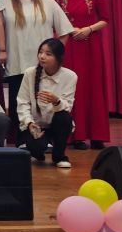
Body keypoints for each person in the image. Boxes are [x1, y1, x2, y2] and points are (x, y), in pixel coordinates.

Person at [2, 0, 73, 129]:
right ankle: (22, 139)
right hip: (16, 64)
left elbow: (64, 32)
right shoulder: (3, 2)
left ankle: (46, 137)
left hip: (44, 68)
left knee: (45, 106)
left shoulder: (47, 1)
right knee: (19, 108)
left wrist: (54, 56)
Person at [56, 0, 111, 150]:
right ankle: (76, 136)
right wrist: (71, 30)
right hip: (70, 46)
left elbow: (105, 20)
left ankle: (97, 135)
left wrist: (88, 29)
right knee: (73, 88)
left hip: (91, 45)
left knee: (94, 87)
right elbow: (57, 23)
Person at [16, 39, 77, 168]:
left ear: (59, 58)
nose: (42, 56)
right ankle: (37, 152)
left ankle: (59, 156)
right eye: (40, 52)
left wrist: (56, 101)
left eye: (48, 54)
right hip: (36, 125)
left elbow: (68, 107)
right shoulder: (30, 73)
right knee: (36, 148)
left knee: (64, 118)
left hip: (56, 124)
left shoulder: (70, 76)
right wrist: (29, 123)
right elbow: (23, 103)